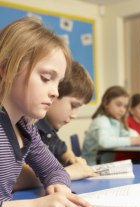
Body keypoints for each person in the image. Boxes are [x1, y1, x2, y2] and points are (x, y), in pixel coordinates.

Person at [0, 18, 90, 206]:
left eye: (58, 83)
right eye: (46, 78)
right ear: (7, 69)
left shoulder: (26, 126)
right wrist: (36, 204)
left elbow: (53, 170)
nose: (55, 92)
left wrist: (60, 187)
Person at [13, 61, 99, 191]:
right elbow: (14, 176)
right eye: (73, 105)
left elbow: (62, 150)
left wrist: (72, 159)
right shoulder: (29, 123)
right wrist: (69, 172)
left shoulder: (45, 129)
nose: (74, 115)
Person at [82, 86, 140, 165]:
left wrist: (137, 138)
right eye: (118, 105)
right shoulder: (101, 121)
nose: (122, 110)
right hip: (93, 165)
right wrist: (135, 140)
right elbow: (105, 142)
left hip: (106, 165)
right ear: (106, 103)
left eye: (125, 106)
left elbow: (133, 134)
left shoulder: (114, 122)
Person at [115, 94, 140, 162]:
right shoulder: (127, 121)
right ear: (131, 110)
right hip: (124, 160)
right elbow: (122, 137)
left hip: (138, 159)